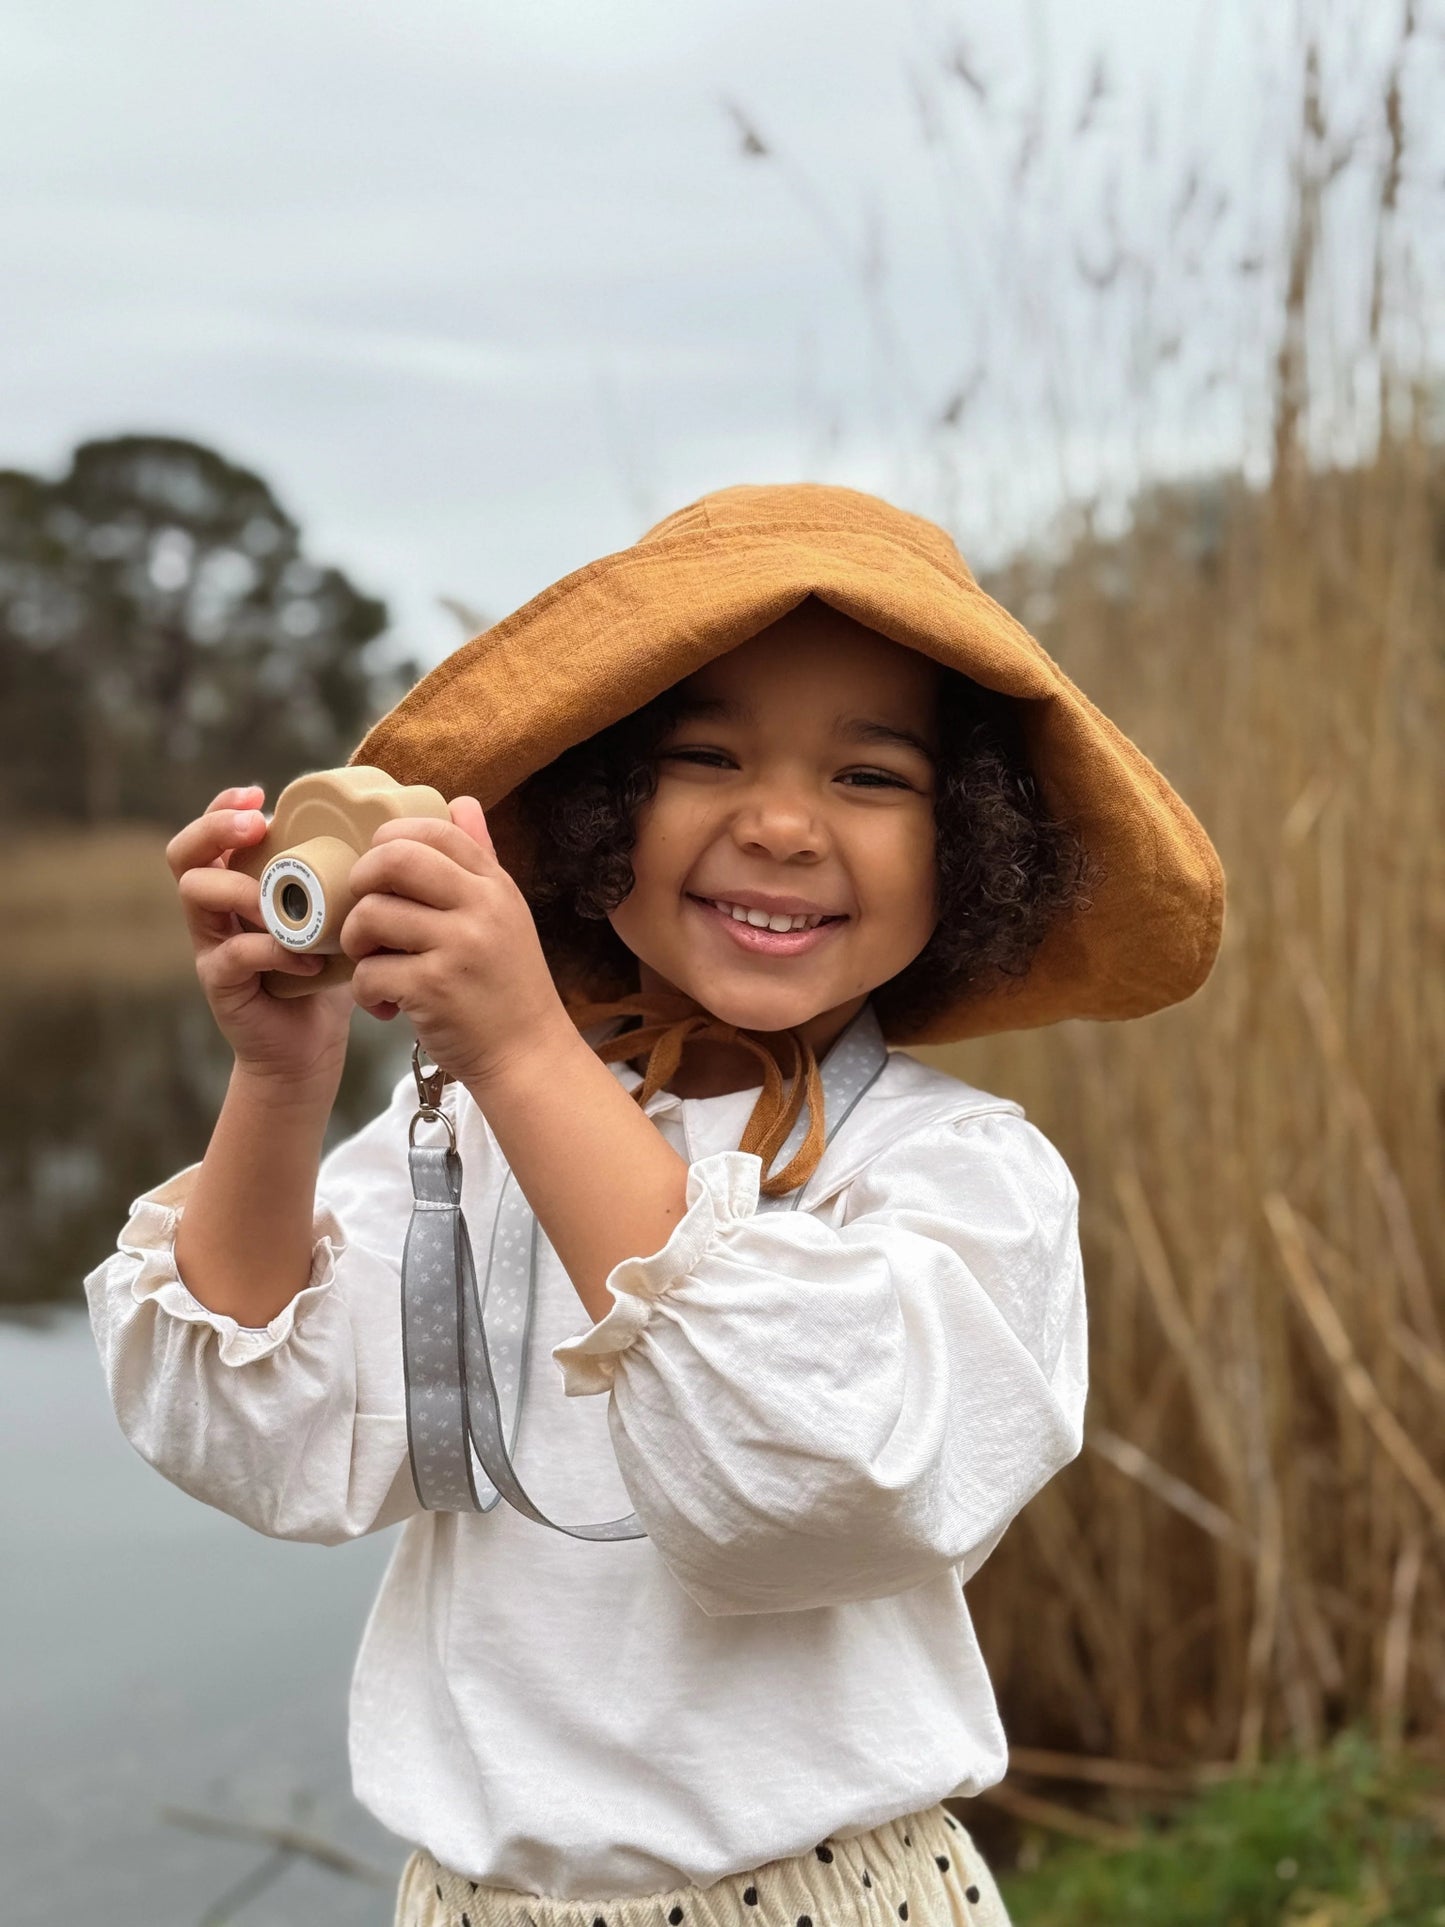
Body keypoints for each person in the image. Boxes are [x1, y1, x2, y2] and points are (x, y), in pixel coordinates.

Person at [84, 482, 1225, 1927]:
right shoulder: (467, 1130)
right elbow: (274, 1443)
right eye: (703, 755)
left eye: (872, 779)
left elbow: (818, 1480)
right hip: (473, 1903)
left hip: (828, 1899)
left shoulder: (951, 1174)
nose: (784, 825)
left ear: (972, 848)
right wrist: (284, 1076)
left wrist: (513, 1045)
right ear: (598, 804)